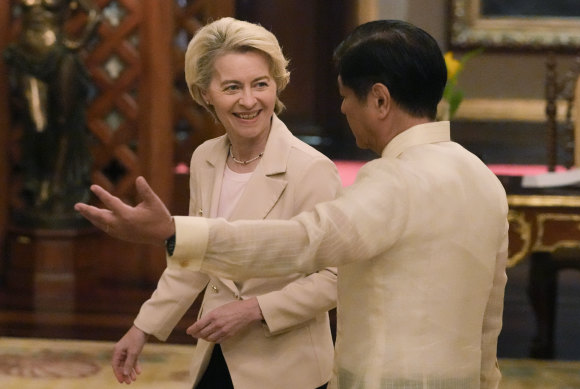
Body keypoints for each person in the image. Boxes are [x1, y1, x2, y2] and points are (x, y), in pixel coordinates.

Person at [75, 19, 509, 389]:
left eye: (345, 97)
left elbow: (305, 243)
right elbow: (491, 313)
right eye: (231, 87)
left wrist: (173, 232)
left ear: (378, 99)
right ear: (206, 93)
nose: (341, 109)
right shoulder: (483, 177)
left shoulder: (389, 179)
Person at [103, 17, 340, 389]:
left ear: (276, 84)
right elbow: (195, 256)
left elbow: (334, 279)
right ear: (204, 93)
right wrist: (141, 328)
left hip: (286, 369)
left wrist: (254, 310)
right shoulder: (205, 158)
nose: (249, 100)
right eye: (232, 87)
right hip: (217, 354)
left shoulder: (311, 168)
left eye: (260, 84)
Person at [3, 0, 101, 227]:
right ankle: (39, 181)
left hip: (58, 55)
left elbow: (95, 15)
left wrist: (77, 43)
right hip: (27, 55)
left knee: (64, 121)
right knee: (37, 124)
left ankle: (56, 184)